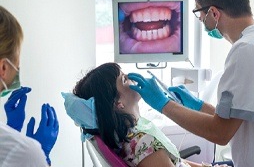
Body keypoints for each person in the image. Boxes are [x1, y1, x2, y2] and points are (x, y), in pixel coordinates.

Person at [128, 0, 254, 167]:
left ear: (214, 13)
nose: (201, 21)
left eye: (199, 15)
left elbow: (220, 133)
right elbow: (240, 116)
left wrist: (163, 104)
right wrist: (198, 106)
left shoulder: (248, 50)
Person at [62, 62, 230, 167]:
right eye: (123, 79)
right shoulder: (143, 143)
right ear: (117, 103)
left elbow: (176, 162)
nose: (130, 77)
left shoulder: (128, 137)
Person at [0, 5, 59, 166]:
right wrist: (41, 153)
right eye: (17, 59)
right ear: (3, 68)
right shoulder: (25, 153)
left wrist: (11, 130)